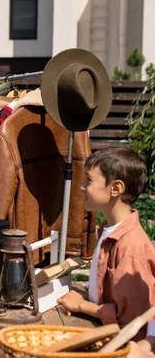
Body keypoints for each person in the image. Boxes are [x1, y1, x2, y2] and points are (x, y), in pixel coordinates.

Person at [57, 147, 155, 345]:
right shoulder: (108, 230)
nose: (82, 187)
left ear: (116, 189)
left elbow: (130, 322)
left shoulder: (130, 249)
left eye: (89, 180)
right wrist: (86, 295)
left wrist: (82, 305)